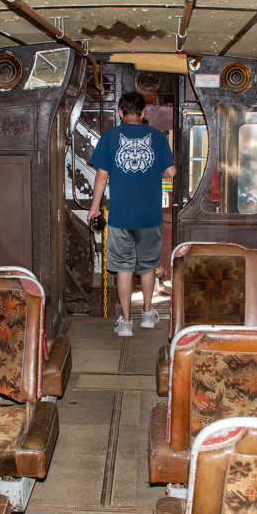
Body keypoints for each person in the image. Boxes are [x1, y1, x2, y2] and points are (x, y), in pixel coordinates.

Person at [87, 92, 176, 336]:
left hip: (120, 217)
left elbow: (102, 176)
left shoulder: (110, 137)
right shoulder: (157, 137)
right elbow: (171, 171)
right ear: (144, 112)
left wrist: (94, 208)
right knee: (147, 266)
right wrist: (151, 175)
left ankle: (126, 322)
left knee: (123, 268)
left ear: (120, 112)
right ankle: (147, 314)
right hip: (149, 216)